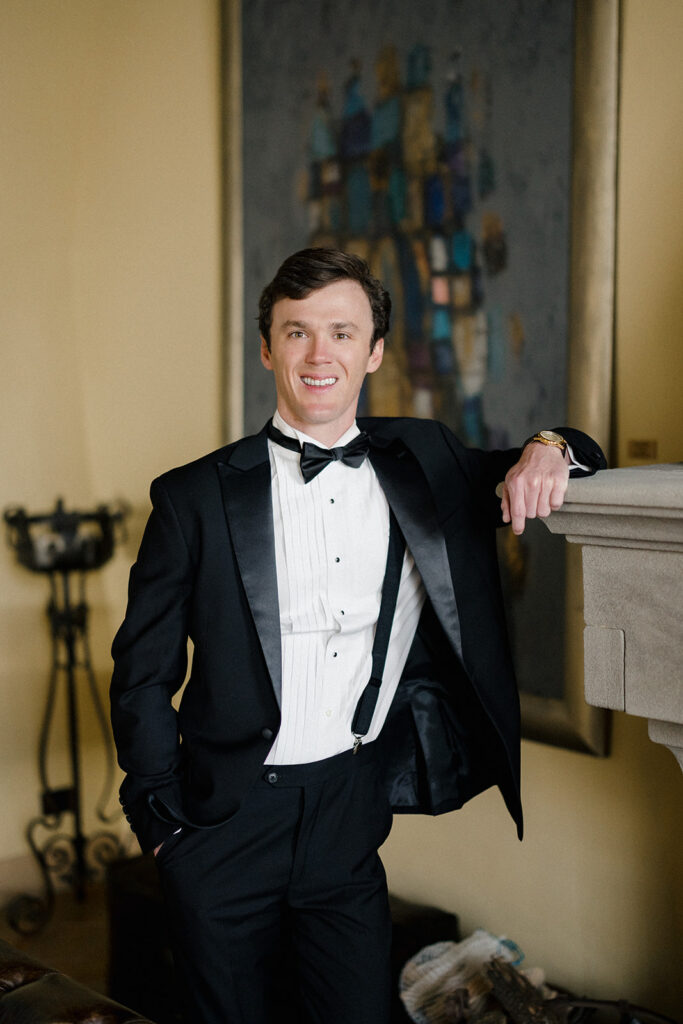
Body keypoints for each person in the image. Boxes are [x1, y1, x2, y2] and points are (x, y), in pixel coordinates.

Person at [110, 248, 605, 1024]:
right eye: (296, 332)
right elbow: (140, 672)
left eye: (341, 332)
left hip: (347, 809)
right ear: (268, 347)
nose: (319, 354)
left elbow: (544, 460)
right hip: (223, 821)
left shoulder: (427, 461)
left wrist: (550, 445)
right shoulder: (192, 497)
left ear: (373, 351)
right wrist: (162, 823)